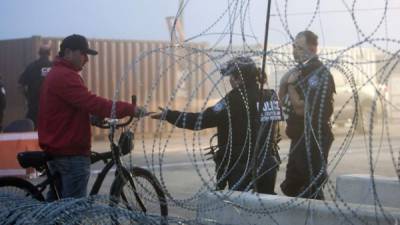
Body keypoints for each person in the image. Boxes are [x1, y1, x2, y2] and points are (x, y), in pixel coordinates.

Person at [38, 34, 147, 200]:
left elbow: (66, 110)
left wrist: (90, 117)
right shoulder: (65, 75)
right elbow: (94, 103)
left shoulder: (57, 73)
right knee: (73, 210)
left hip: (58, 148)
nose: (86, 59)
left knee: (56, 207)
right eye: (83, 53)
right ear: (68, 52)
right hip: (70, 152)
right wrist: (129, 109)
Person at [151, 56, 280, 194]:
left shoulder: (235, 98)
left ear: (239, 78)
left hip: (241, 165)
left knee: (242, 209)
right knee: (265, 207)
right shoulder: (270, 96)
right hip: (268, 163)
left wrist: (170, 115)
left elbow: (201, 120)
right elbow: (275, 128)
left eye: (232, 76)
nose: (230, 80)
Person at [279, 30, 335, 200]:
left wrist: (289, 85)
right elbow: (280, 99)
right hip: (299, 136)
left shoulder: (317, 73)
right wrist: (286, 83)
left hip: (313, 136)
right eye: (294, 46)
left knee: (310, 187)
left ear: (312, 48)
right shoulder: (298, 71)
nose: (295, 51)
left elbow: (302, 110)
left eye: (300, 47)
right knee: (292, 185)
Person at [18, 44, 53, 128]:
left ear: (39, 53)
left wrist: (28, 96)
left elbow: (20, 85)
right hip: (51, 106)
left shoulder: (31, 67)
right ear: (49, 53)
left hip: (34, 106)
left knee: (31, 129)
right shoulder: (55, 66)